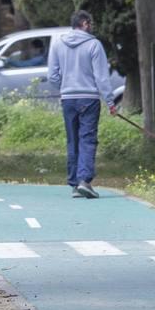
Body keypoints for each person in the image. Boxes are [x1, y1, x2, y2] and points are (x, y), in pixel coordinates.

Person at [47, 10, 117, 199]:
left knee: (73, 140)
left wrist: (65, 87)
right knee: (87, 139)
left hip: (68, 99)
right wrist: (110, 101)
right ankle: (85, 181)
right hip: (89, 99)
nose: (92, 27)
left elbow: (52, 76)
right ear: (85, 23)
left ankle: (74, 184)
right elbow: (101, 77)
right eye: (91, 23)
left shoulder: (57, 44)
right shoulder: (94, 45)